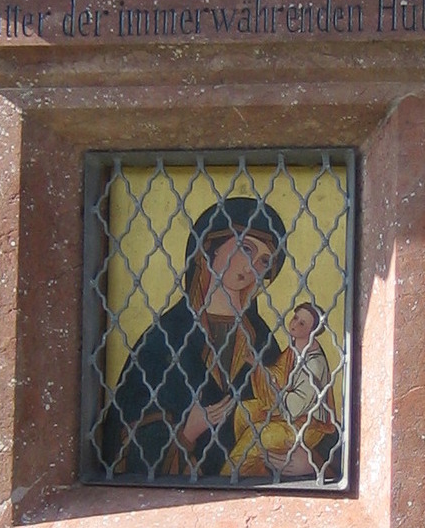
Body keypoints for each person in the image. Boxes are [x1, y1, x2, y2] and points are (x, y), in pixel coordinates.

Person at [100, 197, 287, 480]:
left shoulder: (261, 340)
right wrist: (186, 432)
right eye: (245, 248)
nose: (252, 267)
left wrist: (303, 459)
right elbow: (120, 436)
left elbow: (291, 411)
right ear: (209, 248)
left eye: (264, 261)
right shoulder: (166, 336)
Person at [226, 301, 340, 482]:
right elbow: (278, 374)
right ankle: (254, 471)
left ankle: (228, 477)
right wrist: (258, 366)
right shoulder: (294, 350)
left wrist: (277, 389)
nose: (294, 324)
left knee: (257, 433)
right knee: (244, 412)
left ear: (312, 331)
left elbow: (296, 405)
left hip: (307, 425)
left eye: (302, 323)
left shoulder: (314, 364)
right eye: (295, 318)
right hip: (287, 412)